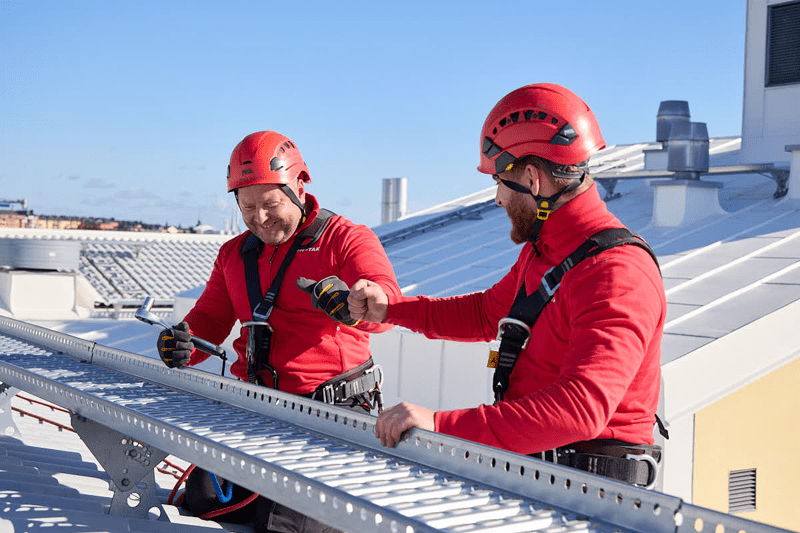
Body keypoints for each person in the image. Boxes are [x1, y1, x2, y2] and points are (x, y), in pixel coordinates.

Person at [348, 83, 667, 488]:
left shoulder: (616, 272)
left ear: (533, 179)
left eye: (500, 181)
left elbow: (580, 409)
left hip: (591, 501)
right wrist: (388, 309)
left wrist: (440, 425)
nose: (497, 198)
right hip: (547, 482)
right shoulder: (549, 252)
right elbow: (484, 313)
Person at [155, 130, 401, 531]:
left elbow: (387, 306)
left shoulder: (345, 241)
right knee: (201, 504)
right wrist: (182, 343)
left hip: (328, 415)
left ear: (300, 186)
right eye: (247, 207)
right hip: (255, 408)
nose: (260, 218)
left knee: (285, 524)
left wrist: (356, 303)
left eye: (270, 204)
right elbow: (209, 320)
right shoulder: (234, 254)